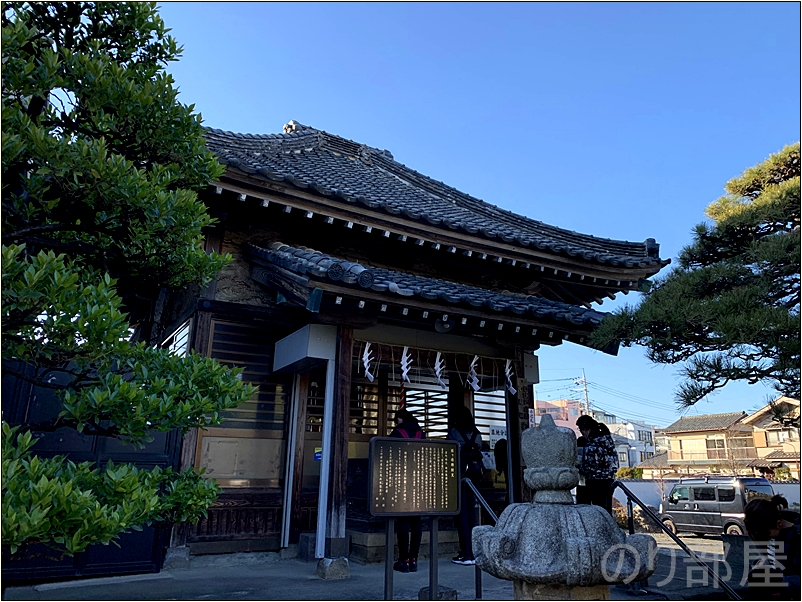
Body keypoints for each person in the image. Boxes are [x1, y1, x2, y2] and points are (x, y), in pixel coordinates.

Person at [743, 498, 801, 600]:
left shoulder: (796, 537)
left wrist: (778, 581)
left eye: (766, 533)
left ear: (779, 524)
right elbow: (768, 560)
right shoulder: (764, 534)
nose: (763, 538)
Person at [389, 408, 424, 573]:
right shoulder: (420, 433)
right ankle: (414, 560)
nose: (396, 423)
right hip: (419, 480)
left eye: (397, 419)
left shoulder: (397, 432)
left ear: (401, 419)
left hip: (401, 480)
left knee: (403, 519)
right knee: (416, 521)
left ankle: (403, 559)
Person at [447, 405, 483, 565]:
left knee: (461, 514)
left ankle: (466, 553)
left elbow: (448, 452)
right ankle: (474, 552)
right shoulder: (477, 434)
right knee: (472, 513)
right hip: (475, 477)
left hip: (460, 477)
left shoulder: (455, 432)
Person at [576, 415, 617, 515]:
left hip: (595, 482)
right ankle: (608, 529)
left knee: (593, 512)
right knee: (605, 510)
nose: (582, 433)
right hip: (609, 480)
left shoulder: (592, 445)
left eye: (582, 430)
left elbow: (589, 467)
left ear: (588, 430)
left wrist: (577, 467)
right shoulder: (607, 441)